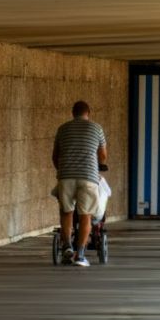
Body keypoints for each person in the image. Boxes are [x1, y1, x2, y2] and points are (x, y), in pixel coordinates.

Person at [51, 101, 108, 267]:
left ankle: (68, 247)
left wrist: (63, 170)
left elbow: (55, 156)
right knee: (85, 215)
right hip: (88, 177)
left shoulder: (62, 129)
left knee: (67, 212)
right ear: (88, 112)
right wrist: (99, 164)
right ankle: (81, 254)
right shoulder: (96, 128)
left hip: (66, 176)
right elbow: (103, 156)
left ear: (72, 113)